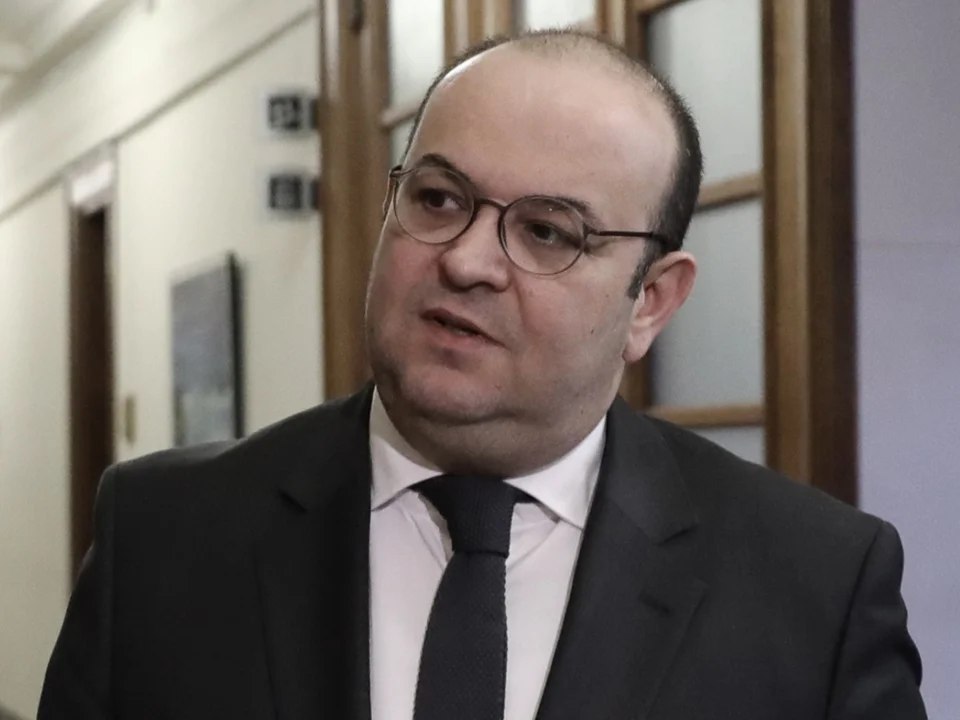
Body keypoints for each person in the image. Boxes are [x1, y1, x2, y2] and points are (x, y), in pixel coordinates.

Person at [39, 29, 926, 720]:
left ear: (651, 302)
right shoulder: (163, 537)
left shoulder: (815, 587)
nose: (466, 261)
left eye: (547, 232)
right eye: (438, 199)